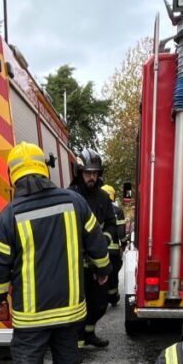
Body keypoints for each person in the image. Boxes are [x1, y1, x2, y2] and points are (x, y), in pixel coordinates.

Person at [0, 142, 110, 364]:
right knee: (67, 348)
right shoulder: (74, 201)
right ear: (44, 170)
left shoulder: (8, 216)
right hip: (70, 306)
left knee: (27, 353)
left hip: (32, 312)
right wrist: (103, 269)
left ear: (12, 176)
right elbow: (96, 242)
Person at [70, 149, 116, 347]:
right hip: (76, 264)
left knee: (99, 304)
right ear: (79, 172)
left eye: (95, 173)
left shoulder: (103, 198)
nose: (92, 177)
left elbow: (112, 224)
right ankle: (75, 347)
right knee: (78, 306)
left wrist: (103, 240)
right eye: (88, 173)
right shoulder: (70, 196)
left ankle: (89, 333)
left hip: (97, 261)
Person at [100, 183, 127, 306]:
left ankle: (101, 298)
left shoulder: (96, 208)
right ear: (113, 196)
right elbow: (121, 232)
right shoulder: (117, 211)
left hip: (99, 250)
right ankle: (113, 298)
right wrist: (124, 243)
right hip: (114, 251)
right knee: (113, 275)